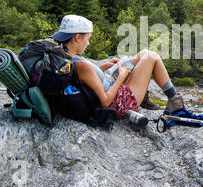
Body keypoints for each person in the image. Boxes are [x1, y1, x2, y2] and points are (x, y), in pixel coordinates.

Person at [50, 15, 186, 125]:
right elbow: (105, 102)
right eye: (87, 38)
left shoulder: (65, 58)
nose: (89, 43)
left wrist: (103, 67)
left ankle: (145, 97)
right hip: (119, 102)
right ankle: (175, 102)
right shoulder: (80, 65)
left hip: (112, 91)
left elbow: (85, 80)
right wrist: (121, 77)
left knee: (143, 53)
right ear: (77, 37)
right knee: (152, 56)